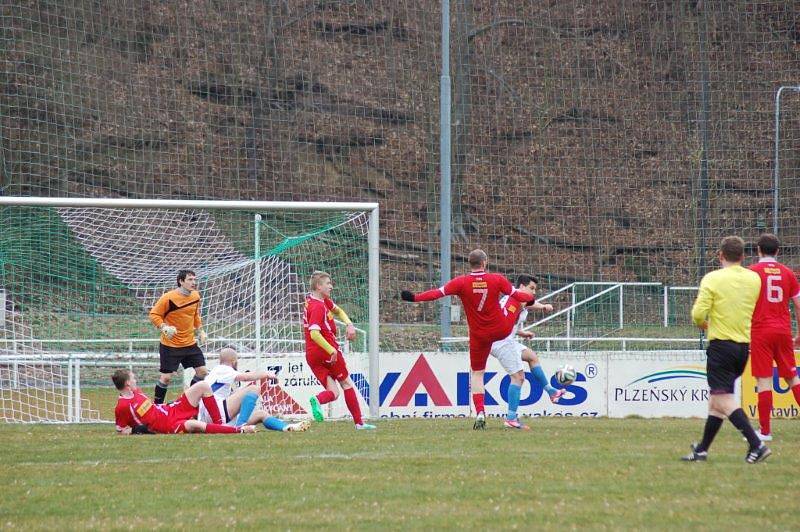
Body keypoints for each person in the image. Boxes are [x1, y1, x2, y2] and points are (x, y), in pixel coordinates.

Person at [400, 249, 535, 429]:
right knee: (512, 305)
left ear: (469, 264)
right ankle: (510, 416)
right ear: (485, 262)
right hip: (501, 330)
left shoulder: (461, 282)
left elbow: (436, 294)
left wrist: (414, 298)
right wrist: (530, 299)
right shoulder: (496, 279)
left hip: (479, 335)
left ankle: (480, 411)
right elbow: (518, 295)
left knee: (477, 374)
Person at [683, 236, 770, 463]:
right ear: (742, 256)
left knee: (723, 399)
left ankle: (756, 443)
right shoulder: (754, 279)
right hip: (743, 347)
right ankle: (702, 449)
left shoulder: (713, 279)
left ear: (720, 255)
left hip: (721, 345)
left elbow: (698, 315)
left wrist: (706, 325)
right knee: (716, 401)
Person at [304, 271, 376, 430]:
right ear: (318, 286)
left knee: (334, 393)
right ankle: (359, 423)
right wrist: (331, 350)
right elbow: (314, 334)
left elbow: (339, 311)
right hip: (325, 350)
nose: (331, 286)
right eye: (328, 283)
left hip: (311, 355)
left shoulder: (316, 301)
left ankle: (317, 399)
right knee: (346, 383)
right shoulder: (317, 307)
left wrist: (349, 324)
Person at [490, 275, 562, 429]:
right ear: (521, 286)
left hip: (505, 339)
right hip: (500, 342)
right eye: (531, 288)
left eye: (535, 289)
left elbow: (508, 322)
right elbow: (529, 304)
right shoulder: (517, 297)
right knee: (518, 378)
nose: (533, 292)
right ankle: (511, 418)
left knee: (531, 357)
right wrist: (543, 306)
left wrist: (522, 333)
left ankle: (551, 391)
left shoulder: (514, 299)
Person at [748, 233, 800, 441]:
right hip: (783, 331)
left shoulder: (752, 273)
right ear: (777, 251)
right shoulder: (788, 273)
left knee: (764, 380)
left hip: (761, 331)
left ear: (758, 250)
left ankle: (765, 432)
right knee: (792, 377)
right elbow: (798, 304)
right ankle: (764, 431)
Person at [199, 347, 309, 432]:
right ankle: (240, 426)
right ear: (234, 361)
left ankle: (287, 427)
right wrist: (267, 374)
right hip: (216, 414)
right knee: (253, 389)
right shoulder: (223, 369)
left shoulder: (215, 372)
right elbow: (246, 377)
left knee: (261, 414)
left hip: (213, 419)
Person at [112, 369, 254, 434]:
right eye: (133, 379)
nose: (136, 380)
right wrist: (139, 430)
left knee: (203, 386)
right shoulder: (122, 407)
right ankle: (238, 430)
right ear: (127, 384)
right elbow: (121, 430)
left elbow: (151, 408)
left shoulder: (136, 392)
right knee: (195, 425)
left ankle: (220, 425)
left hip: (171, 409)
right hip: (167, 425)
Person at [148, 269, 208, 404]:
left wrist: (201, 331)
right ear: (181, 281)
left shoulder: (196, 296)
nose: (193, 282)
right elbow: (154, 315)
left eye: (194, 279)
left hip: (189, 343)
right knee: (166, 378)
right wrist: (164, 327)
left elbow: (195, 315)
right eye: (190, 280)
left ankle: (187, 402)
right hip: (171, 345)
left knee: (202, 372)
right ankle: (157, 408)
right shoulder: (168, 297)